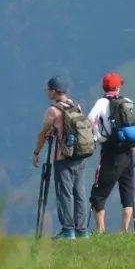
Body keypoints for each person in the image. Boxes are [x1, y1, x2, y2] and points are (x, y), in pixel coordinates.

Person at [87, 72, 135, 233]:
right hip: (128, 153)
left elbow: (90, 118)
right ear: (118, 87)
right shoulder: (127, 101)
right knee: (127, 193)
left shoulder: (101, 102)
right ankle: (124, 230)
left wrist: (97, 136)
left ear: (104, 87)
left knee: (100, 194)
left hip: (110, 152)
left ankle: (100, 231)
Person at [33, 76, 91, 239]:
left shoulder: (53, 110)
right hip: (80, 155)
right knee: (79, 191)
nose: (47, 92)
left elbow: (42, 134)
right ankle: (82, 230)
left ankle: (68, 230)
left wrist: (36, 152)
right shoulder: (76, 106)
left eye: (48, 90)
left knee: (65, 192)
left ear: (53, 91)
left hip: (63, 157)